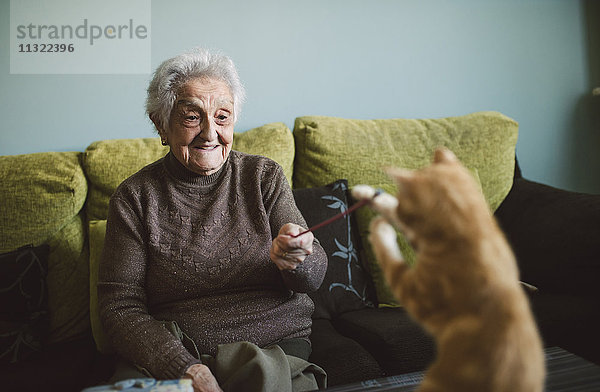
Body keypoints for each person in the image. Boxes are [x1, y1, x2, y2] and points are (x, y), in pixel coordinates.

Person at [97, 47, 328, 392]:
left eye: (222, 117)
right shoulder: (134, 198)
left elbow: (313, 275)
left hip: (272, 347)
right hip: (174, 349)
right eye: (192, 117)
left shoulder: (263, 177)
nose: (209, 133)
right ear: (161, 124)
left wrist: (298, 260)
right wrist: (183, 367)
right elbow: (119, 306)